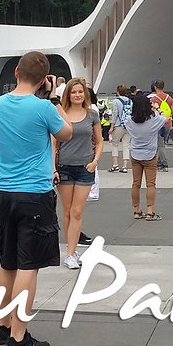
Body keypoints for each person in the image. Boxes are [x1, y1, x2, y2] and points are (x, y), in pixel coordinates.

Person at [0, 52, 74, 346]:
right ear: (44, 80)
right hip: (34, 193)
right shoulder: (43, 108)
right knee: (29, 265)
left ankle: (3, 323)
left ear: (15, 71)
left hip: (5, 191)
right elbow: (67, 132)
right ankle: (20, 336)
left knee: (7, 261)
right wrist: (52, 99)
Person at [53, 78, 101, 269]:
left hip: (85, 168)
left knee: (77, 211)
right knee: (66, 211)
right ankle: (70, 250)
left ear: (85, 94)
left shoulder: (92, 114)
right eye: (74, 92)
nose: (77, 95)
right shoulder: (60, 114)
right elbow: (53, 143)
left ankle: (72, 252)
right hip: (64, 167)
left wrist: (95, 161)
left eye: (80, 92)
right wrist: (53, 168)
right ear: (68, 94)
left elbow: (99, 140)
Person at [126, 93, 169, 220]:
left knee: (136, 183)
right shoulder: (154, 120)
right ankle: (150, 211)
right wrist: (157, 108)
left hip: (135, 153)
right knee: (151, 184)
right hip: (150, 154)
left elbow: (127, 122)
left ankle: (137, 210)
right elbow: (166, 117)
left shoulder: (129, 120)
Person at [150, 80, 173, 169]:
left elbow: (151, 113)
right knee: (162, 142)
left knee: (160, 144)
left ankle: (164, 163)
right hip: (168, 122)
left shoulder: (153, 99)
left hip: (158, 123)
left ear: (155, 87)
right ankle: (159, 162)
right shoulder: (170, 98)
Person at [108, 85, 131, 173]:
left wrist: (111, 126)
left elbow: (115, 114)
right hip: (128, 125)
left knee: (115, 144)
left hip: (118, 125)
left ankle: (115, 165)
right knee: (126, 145)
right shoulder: (130, 101)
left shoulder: (116, 101)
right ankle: (125, 166)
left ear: (118, 91)